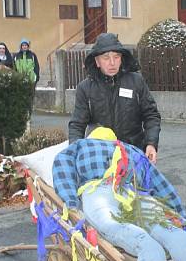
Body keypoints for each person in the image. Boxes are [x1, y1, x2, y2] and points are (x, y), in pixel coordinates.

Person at [52, 127, 186, 261]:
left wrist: (71, 203)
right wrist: (181, 216)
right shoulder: (131, 149)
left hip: (96, 191)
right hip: (133, 192)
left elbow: (62, 168)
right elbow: (161, 185)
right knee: (159, 223)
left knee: (117, 226)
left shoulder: (80, 145)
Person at [68, 33, 161, 164]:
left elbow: (151, 115)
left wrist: (151, 143)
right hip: (101, 156)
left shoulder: (136, 81)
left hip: (133, 154)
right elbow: (77, 124)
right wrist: (74, 151)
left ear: (121, 58)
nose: (112, 63)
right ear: (97, 61)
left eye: (116, 57)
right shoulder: (85, 88)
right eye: (106, 58)